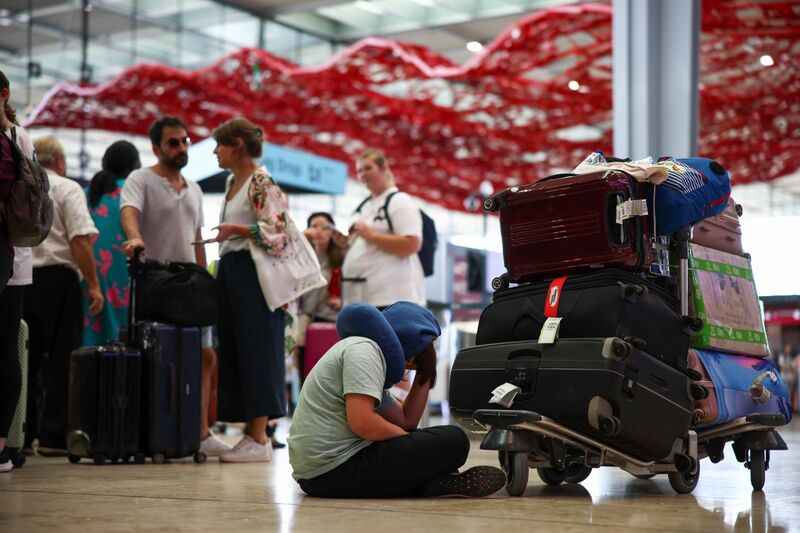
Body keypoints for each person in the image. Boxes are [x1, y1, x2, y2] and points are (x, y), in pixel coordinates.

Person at [288, 301, 506, 498]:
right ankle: (427, 481)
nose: (404, 367)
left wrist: (424, 372)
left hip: (324, 472)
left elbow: (406, 420)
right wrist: (408, 440)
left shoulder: (364, 351)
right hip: (332, 471)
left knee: (426, 438)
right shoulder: (365, 351)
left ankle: (427, 482)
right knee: (455, 439)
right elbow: (363, 423)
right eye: (410, 363)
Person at [119, 116, 226, 457]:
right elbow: (129, 212)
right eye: (173, 143)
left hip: (190, 283)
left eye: (185, 141)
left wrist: (204, 277)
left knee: (206, 355)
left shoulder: (194, 188)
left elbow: (197, 240)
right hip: (155, 278)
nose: (182, 148)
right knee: (157, 353)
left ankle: (201, 432)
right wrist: (134, 237)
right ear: (156, 148)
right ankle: (153, 430)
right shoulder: (140, 179)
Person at [209, 117, 289, 462]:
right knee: (235, 348)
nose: (215, 151)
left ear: (238, 144)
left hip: (254, 273)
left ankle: (258, 436)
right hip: (231, 269)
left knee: (258, 349)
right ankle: (250, 433)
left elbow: (277, 232)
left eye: (220, 144)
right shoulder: (232, 181)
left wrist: (238, 229)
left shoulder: (260, 181)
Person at [23, 135, 104, 456]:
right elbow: (80, 241)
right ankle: (54, 436)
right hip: (59, 279)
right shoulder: (68, 188)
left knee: (22, 358)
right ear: (60, 162)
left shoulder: (21, 185)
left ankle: (20, 434)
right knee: (60, 358)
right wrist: (94, 285)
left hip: (21, 278)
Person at [0, 70, 36, 471]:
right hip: (14, 258)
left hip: (14, 260)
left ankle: (5, 443)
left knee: (6, 348)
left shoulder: (18, 138)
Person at [341, 148, 425, 309]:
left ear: (383, 169)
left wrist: (370, 235)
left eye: (368, 168)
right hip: (361, 297)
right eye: (359, 170)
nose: (363, 174)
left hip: (391, 299)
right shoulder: (364, 206)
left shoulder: (399, 201)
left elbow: (412, 244)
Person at [83, 141, 141, 345]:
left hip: (89, 275)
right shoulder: (132, 193)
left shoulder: (87, 193)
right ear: (135, 166)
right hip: (121, 274)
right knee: (122, 344)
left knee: (90, 345)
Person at [297, 212, 345, 378]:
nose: (319, 231)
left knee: (332, 376)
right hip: (305, 324)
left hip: (333, 323)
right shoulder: (300, 260)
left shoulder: (342, 260)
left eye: (325, 227)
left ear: (333, 232)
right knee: (308, 375)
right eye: (314, 226)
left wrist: (341, 301)